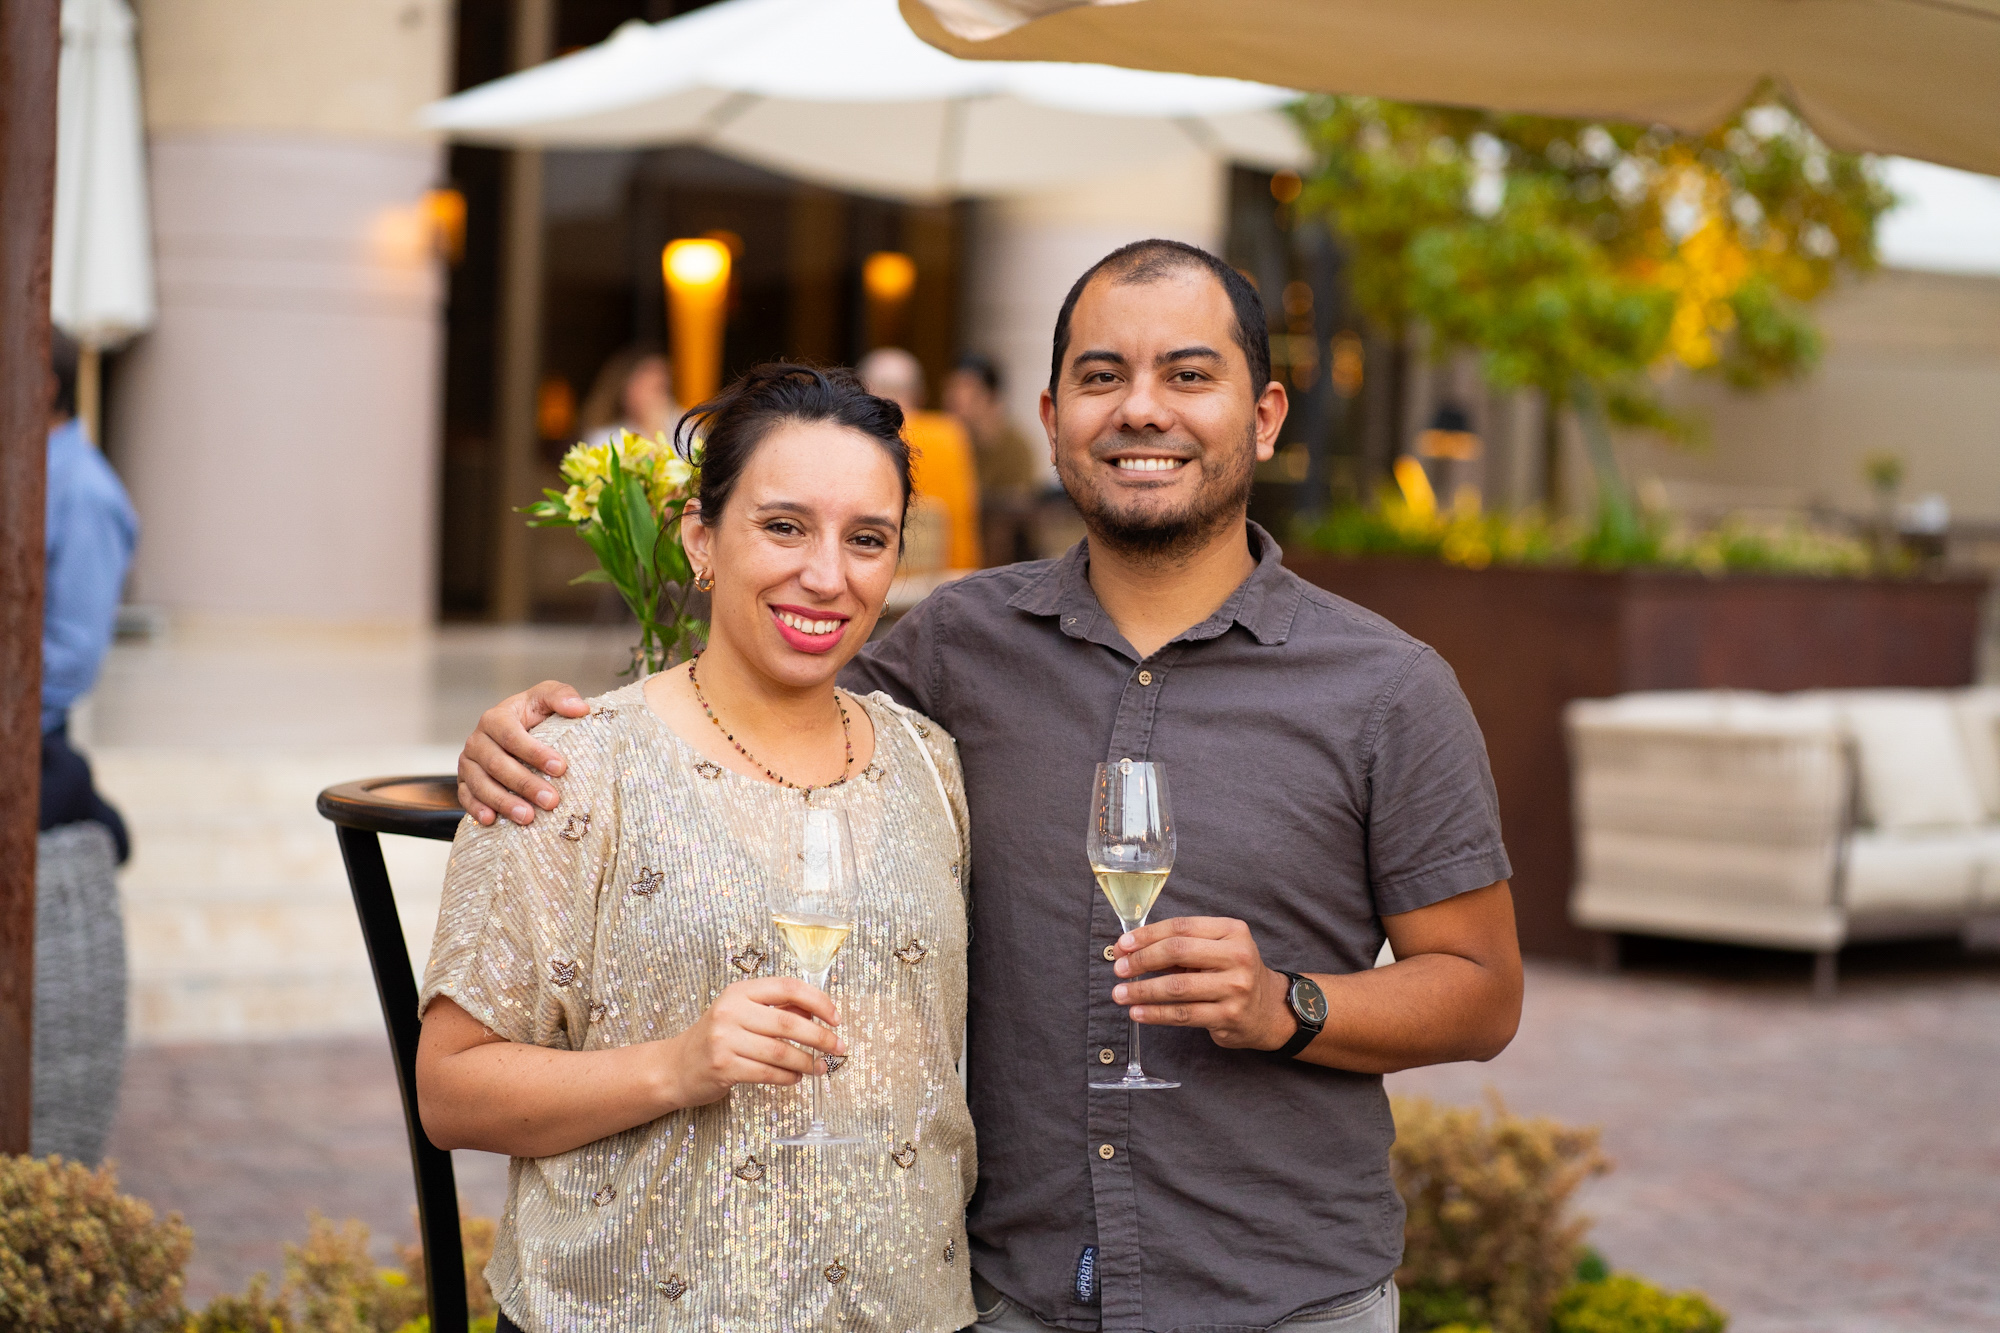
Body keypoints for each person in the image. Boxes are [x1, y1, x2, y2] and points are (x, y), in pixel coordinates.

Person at [457, 241, 1524, 1333]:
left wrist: (1285, 1004)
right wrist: (527, 735)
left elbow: (1482, 990)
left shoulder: (1387, 687)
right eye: (1102, 376)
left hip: (1287, 1300)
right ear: (1054, 417)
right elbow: (750, 716)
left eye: (1188, 374)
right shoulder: (956, 644)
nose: (1140, 408)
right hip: (1008, 1296)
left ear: (1263, 417)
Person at [416, 365, 977, 1332]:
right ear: (700, 537)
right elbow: (450, 1089)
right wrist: (677, 1067)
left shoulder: (933, 763)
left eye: (867, 538)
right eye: (785, 526)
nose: (828, 575)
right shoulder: (571, 767)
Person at [34, 328, 140, 1166]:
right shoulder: (36, 472)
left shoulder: (83, 491)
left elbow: (71, 656)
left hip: (30, 737)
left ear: (43, 385)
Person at [859, 347, 981, 570]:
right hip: (943, 577)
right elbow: (964, 523)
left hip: (873, 572)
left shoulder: (856, 436)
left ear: (861, 394)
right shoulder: (949, 434)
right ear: (919, 394)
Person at [943, 354, 1040, 566]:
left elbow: (1022, 502)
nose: (956, 397)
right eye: (953, 388)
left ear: (991, 396)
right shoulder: (946, 443)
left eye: (967, 389)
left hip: (1002, 552)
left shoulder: (1015, 445)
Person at [578, 345, 680, 444]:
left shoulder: (679, 426)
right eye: (649, 388)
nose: (654, 399)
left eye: (661, 389)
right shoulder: (606, 438)